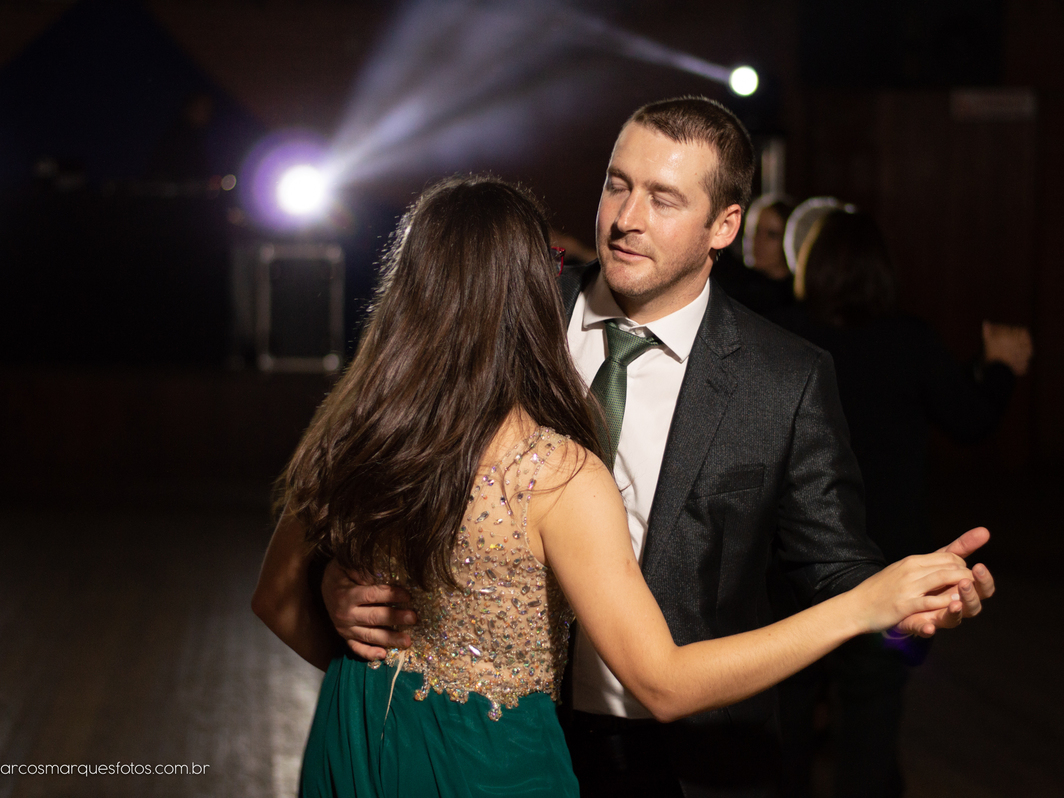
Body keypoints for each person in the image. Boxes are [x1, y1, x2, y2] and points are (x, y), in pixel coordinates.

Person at [314, 98, 996, 796]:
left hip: (693, 756)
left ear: (723, 225)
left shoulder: (782, 379)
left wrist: (904, 607)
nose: (626, 218)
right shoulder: (517, 316)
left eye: (664, 200)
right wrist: (336, 581)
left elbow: (831, 561)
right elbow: (389, 466)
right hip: (515, 735)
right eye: (618, 185)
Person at [770, 207, 1031, 798]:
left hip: (791, 562)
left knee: (787, 703)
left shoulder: (782, 335)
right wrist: (998, 369)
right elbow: (970, 417)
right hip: (889, 564)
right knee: (872, 707)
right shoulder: (909, 341)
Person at [712, 194, 796, 316]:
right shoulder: (734, 283)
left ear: (788, 240)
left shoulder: (795, 299)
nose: (759, 241)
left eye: (772, 235)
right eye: (755, 230)